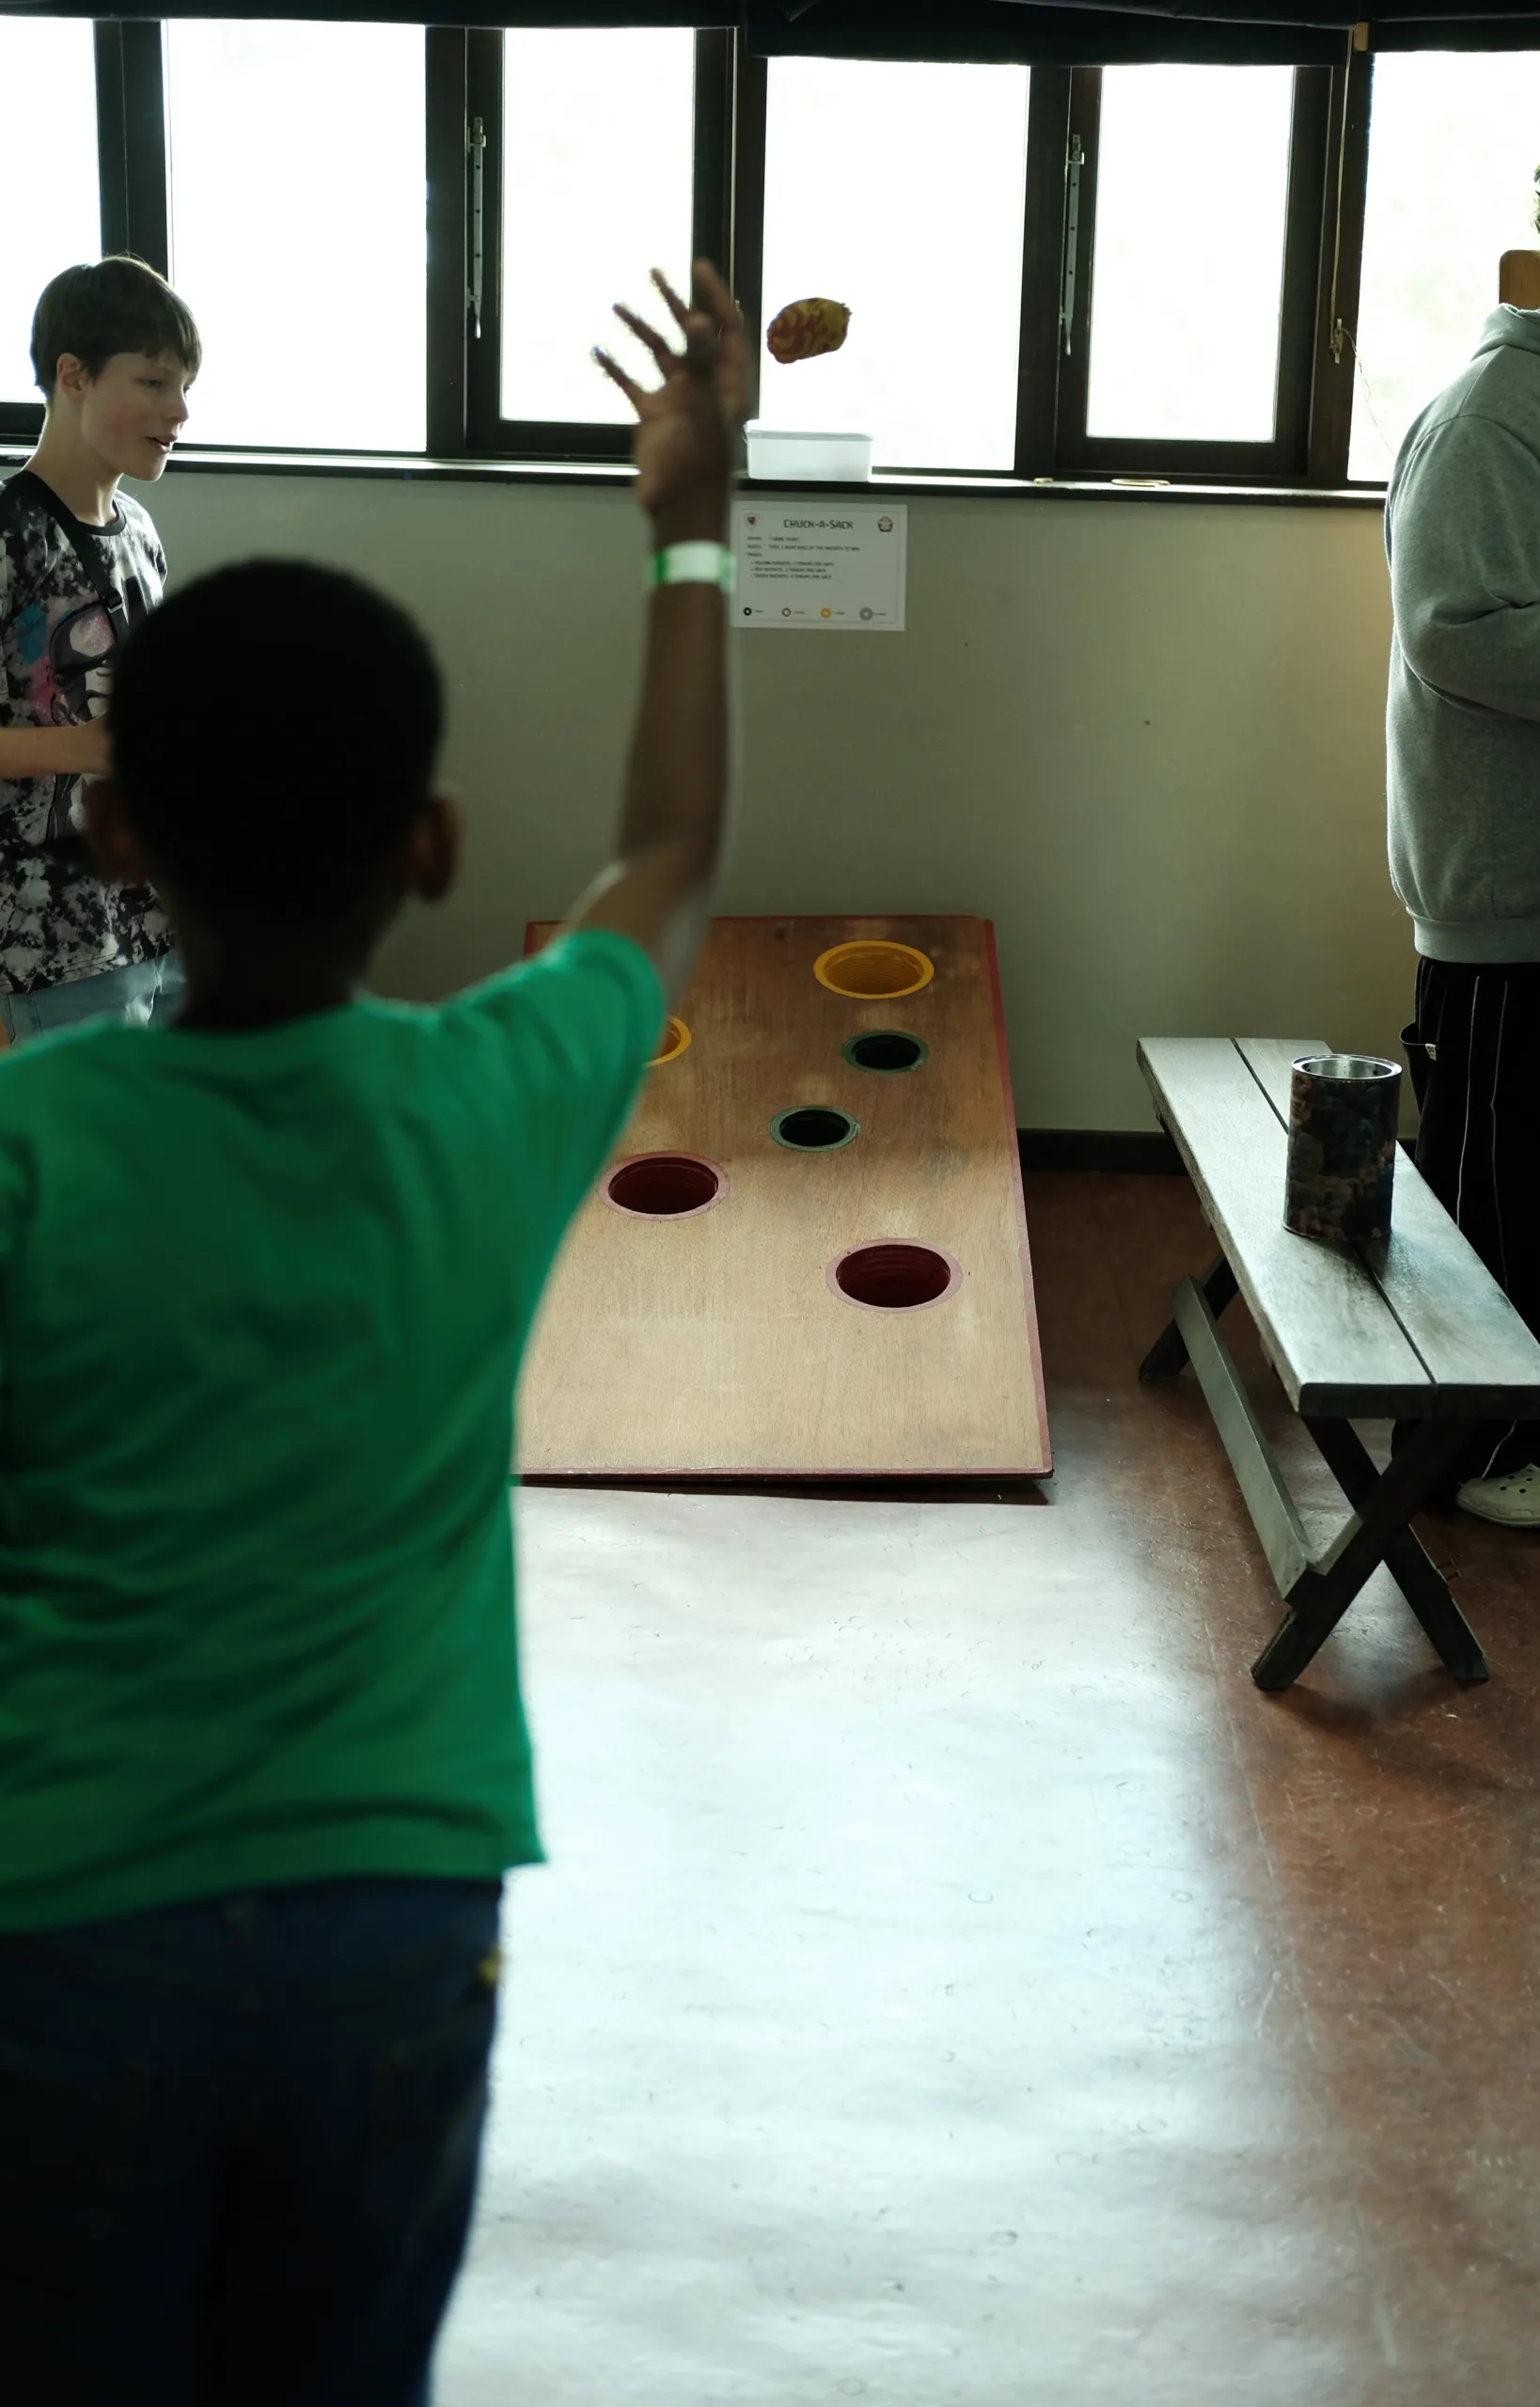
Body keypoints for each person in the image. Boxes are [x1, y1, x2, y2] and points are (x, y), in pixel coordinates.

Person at [0, 259, 746, 2405]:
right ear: (429, 849)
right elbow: (670, 851)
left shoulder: (31, 1144)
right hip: (395, 1919)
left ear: (121, 829)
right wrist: (688, 528)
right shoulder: (494, 1095)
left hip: (65, 1919)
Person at [1385, 118, 1540, 1531]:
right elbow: (1458, 631)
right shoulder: (1501, 410)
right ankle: (1470, 1451)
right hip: (1521, 888)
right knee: (1514, 1193)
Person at [0, 255, 198, 1040]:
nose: (179, 411)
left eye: (185, 387)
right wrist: (82, 745)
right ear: (72, 375)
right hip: (52, 938)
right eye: (153, 382)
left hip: (158, 914)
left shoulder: (139, 531)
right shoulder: (8, 534)